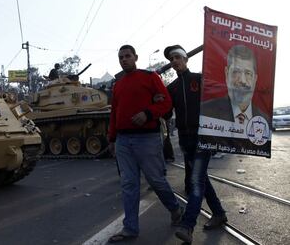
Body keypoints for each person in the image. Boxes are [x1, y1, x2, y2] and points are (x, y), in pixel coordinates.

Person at [107, 45, 183, 243]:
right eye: (121, 57)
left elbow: (166, 103)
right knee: (129, 184)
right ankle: (130, 228)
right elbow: (114, 113)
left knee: (156, 180)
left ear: (135, 57)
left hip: (147, 138)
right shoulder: (119, 84)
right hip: (123, 140)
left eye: (127, 56)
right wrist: (112, 139)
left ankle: (175, 209)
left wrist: (147, 113)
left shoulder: (150, 77)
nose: (124, 59)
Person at [163, 45, 227, 243]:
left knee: (196, 181)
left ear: (185, 59)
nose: (174, 62)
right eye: (171, 59)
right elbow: (166, 114)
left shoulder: (200, 80)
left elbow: (219, 101)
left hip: (203, 137)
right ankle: (219, 214)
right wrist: (158, 98)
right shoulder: (171, 88)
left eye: (177, 57)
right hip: (185, 139)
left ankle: (188, 225)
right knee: (201, 179)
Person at [201, 44, 269, 125]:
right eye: (236, 72)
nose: (242, 81)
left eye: (248, 73)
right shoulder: (206, 112)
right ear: (226, 74)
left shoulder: (265, 121)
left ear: (255, 79)